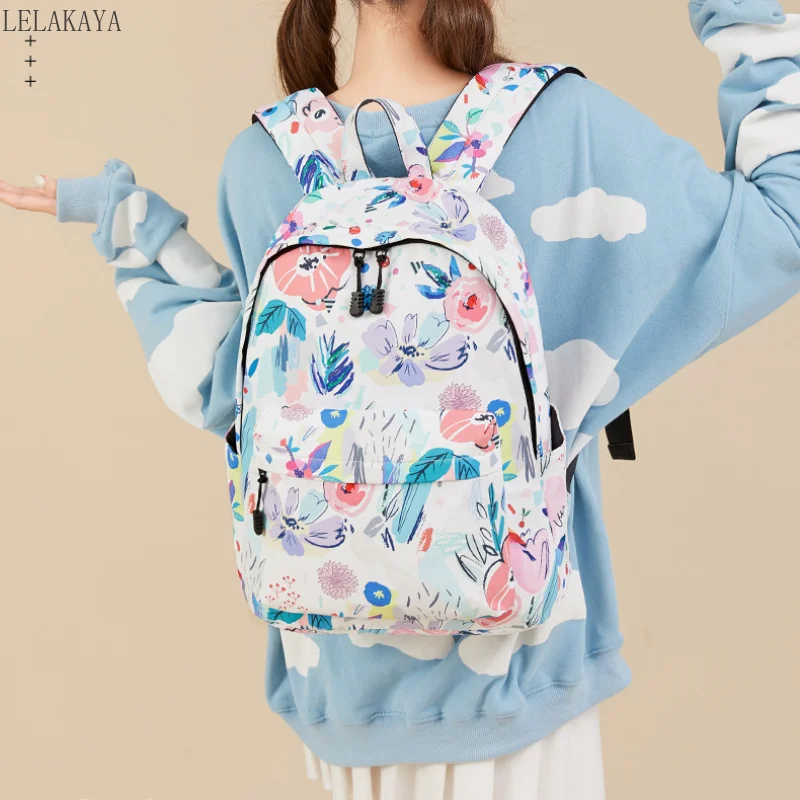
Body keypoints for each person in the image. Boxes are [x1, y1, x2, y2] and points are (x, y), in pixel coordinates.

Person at [2, 0, 798, 798]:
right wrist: (739, 16)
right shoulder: (568, 128)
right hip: (521, 711)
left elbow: (222, 390)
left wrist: (130, 226)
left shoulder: (265, 160)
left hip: (342, 710)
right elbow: (782, 223)